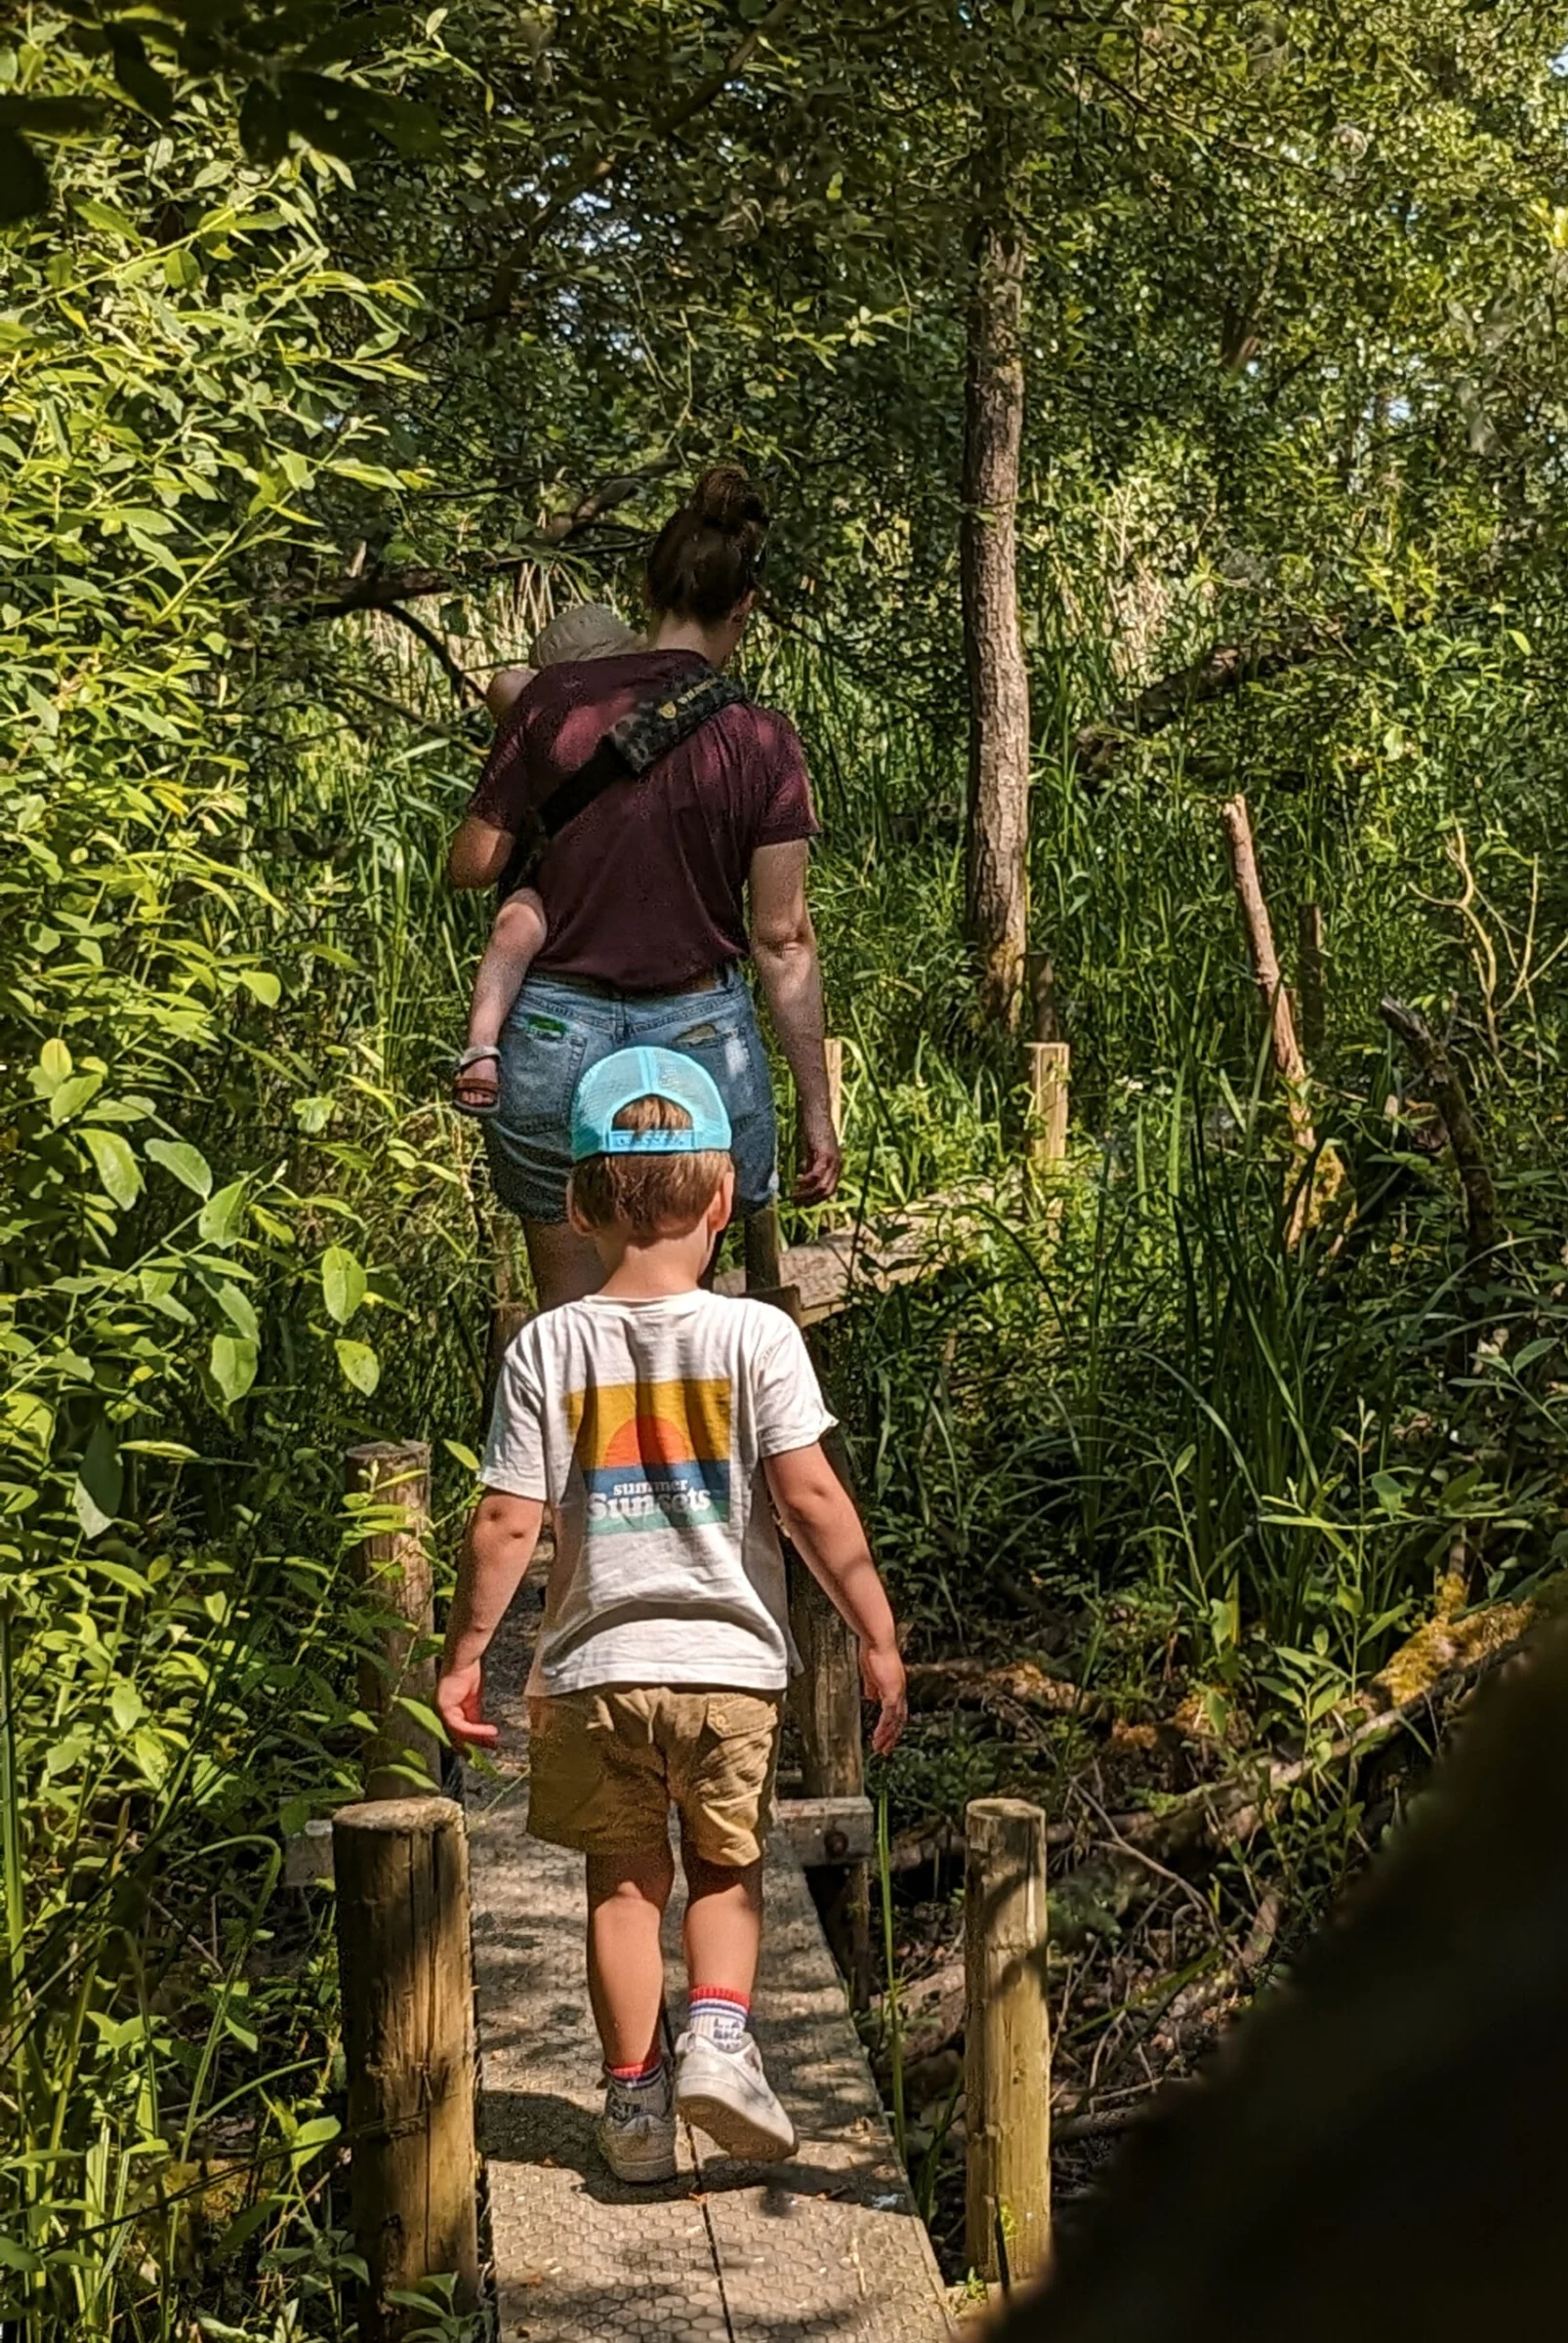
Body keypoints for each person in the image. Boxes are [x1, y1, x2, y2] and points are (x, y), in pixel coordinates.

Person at [435, 1045, 907, 2182]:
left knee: (621, 1885)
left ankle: (635, 2105)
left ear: (578, 1203)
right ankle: (723, 2043)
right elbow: (810, 1500)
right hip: (730, 1669)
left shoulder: (547, 1346)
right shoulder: (758, 1338)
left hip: (594, 1675)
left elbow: (505, 1521)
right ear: (722, 1199)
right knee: (726, 1868)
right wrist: (876, 1633)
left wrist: (465, 1655)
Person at [445, 469, 842, 1310]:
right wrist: (817, 1109)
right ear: (744, 607)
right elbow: (782, 941)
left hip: (554, 1030)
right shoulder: (763, 741)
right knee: (676, 1316)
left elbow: (472, 864)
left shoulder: (553, 703)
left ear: (646, 592)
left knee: (569, 1321)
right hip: (699, 1039)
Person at [452, 606, 643, 1117]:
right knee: (515, 927)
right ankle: (480, 1049)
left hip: (606, 881)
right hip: (546, 878)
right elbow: (505, 685)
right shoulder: (550, 715)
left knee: (516, 927)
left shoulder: (639, 714)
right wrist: (561, 687)